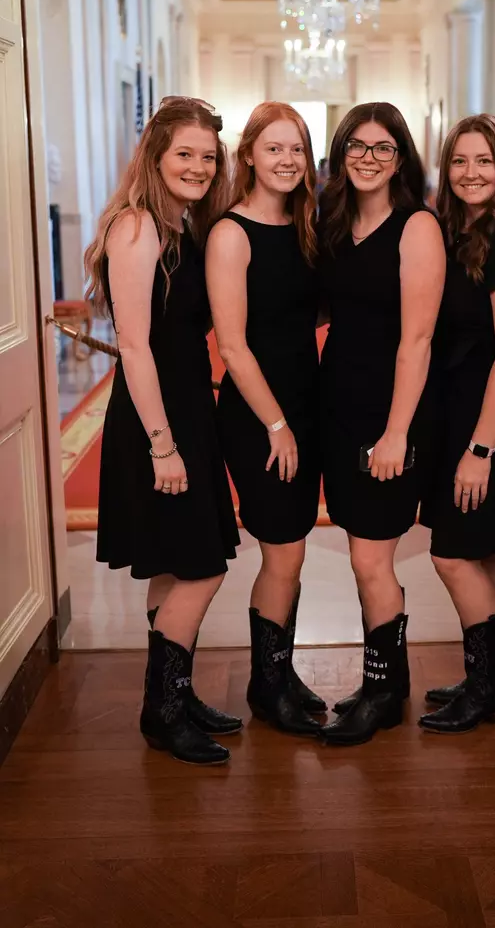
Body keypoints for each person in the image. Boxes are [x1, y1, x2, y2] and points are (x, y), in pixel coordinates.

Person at [84, 97, 241, 766]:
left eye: (208, 157)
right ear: (155, 157)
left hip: (186, 412)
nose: (199, 167)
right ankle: (161, 707)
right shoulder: (138, 227)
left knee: (176, 564)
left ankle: (177, 691)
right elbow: (136, 346)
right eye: (185, 154)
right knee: (202, 568)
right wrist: (163, 445)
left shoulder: (181, 226)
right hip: (158, 420)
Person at [318, 102, 445, 746]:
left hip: (387, 416)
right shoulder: (335, 221)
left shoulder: (416, 226)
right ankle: (380, 683)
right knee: (358, 551)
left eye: (383, 147)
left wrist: (397, 432)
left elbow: (417, 339)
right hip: (337, 410)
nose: (369, 157)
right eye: (357, 146)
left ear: (401, 158)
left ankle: (386, 689)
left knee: (372, 557)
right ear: (341, 154)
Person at [418, 115, 495, 734]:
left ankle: (489, 679)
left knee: (451, 554)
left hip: (494, 420)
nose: (471, 174)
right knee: (490, 550)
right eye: (460, 162)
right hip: (458, 407)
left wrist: (481, 449)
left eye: (483, 162)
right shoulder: (452, 231)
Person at [206, 102, 324, 738]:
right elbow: (233, 346)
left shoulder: (305, 226)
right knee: (281, 552)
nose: (286, 160)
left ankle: (279, 672)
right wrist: (277, 425)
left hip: (303, 410)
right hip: (260, 418)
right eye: (274, 148)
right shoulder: (231, 233)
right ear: (248, 154)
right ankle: (265, 686)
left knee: (293, 550)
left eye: (297, 149)